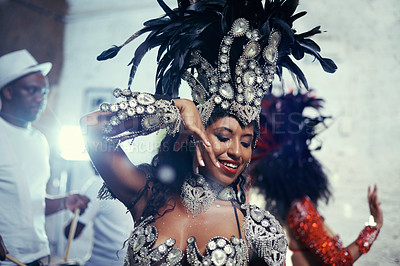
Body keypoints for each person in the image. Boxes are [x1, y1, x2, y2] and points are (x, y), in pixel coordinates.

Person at [81, 0, 336, 265]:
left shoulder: (258, 228)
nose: (237, 152)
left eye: (247, 143)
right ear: (194, 135)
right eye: (224, 137)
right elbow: (92, 127)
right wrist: (175, 110)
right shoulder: (148, 193)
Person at [250, 91, 383, 265]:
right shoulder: (300, 210)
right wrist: (374, 226)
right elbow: (337, 260)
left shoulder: (291, 208)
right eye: (306, 156)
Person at [0, 49, 90, 266]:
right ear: (8, 92)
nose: (41, 99)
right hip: (7, 258)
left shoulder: (39, 140)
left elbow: (32, 202)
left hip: (39, 254)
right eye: (32, 90)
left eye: (44, 92)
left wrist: (63, 202)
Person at [64, 169, 134, 266]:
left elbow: (70, 233)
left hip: (102, 262)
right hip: (127, 261)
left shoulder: (97, 184)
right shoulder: (129, 182)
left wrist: (67, 204)